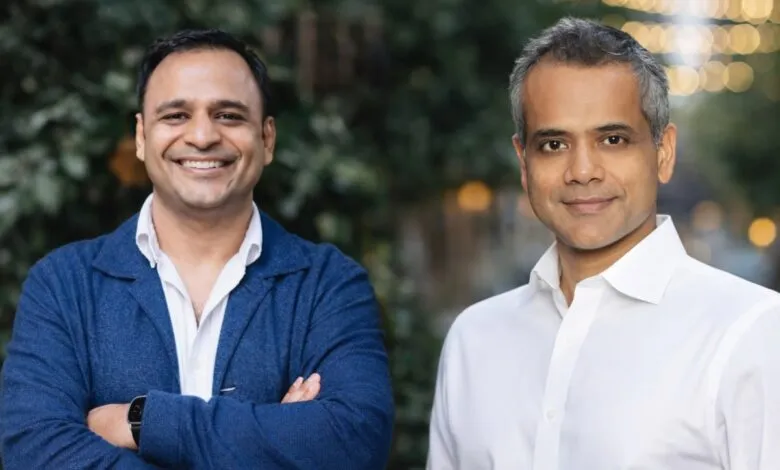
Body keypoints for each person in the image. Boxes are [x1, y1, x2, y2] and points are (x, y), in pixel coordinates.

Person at [0, 28, 394, 469]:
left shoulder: (328, 285)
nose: (203, 136)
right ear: (141, 136)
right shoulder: (64, 285)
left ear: (266, 139)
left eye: (228, 115)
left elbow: (353, 442)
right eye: (175, 116)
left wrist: (142, 422)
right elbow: (34, 452)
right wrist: (273, 439)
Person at [426, 16, 780, 470]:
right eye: (554, 144)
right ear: (523, 163)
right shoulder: (473, 341)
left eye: (613, 139)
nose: (582, 170)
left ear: (663, 153)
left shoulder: (751, 333)